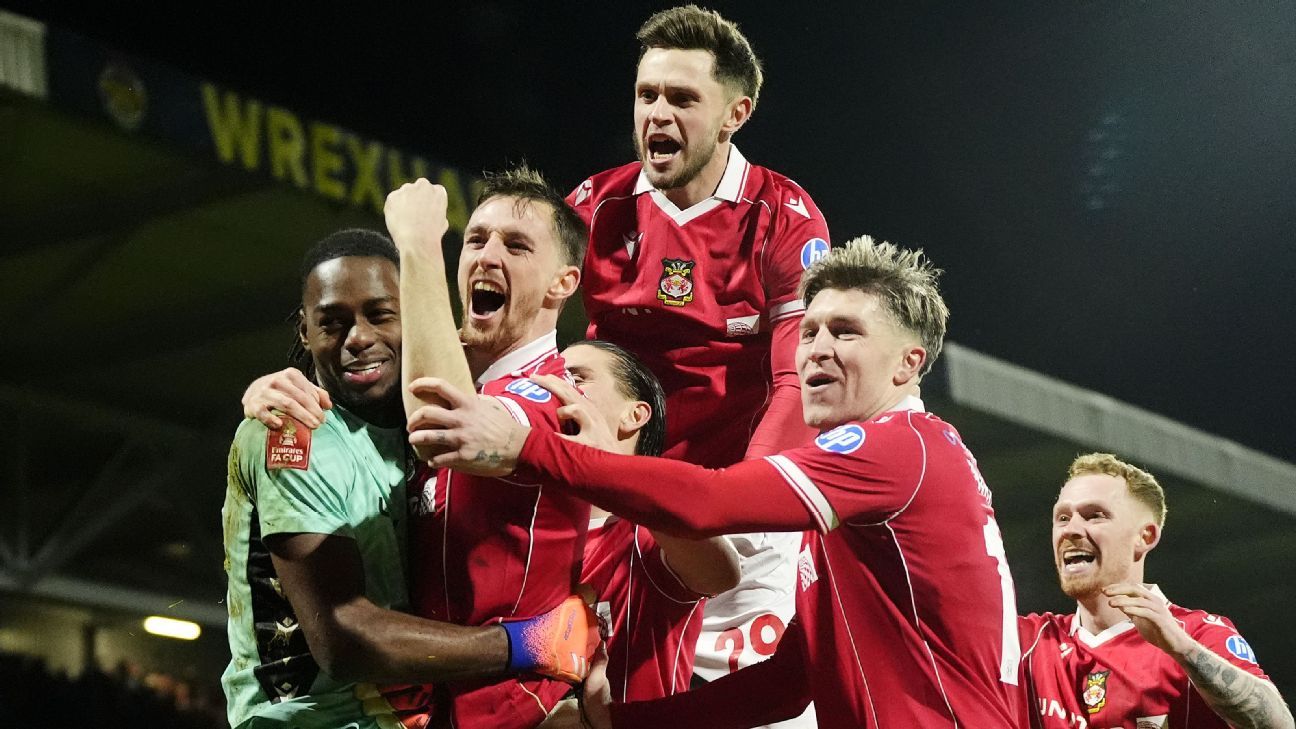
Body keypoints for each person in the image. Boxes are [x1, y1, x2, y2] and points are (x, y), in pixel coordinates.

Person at [408, 236, 1028, 728]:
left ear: (908, 364)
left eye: (846, 332)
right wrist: (624, 724)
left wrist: (527, 447)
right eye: (809, 331)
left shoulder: (899, 446)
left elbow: (710, 502)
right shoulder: (868, 494)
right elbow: (789, 683)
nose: (816, 349)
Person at [221, 229, 597, 729]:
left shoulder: (428, 424)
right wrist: (527, 643)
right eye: (332, 322)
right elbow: (343, 639)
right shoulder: (292, 430)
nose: (358, 338)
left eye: (380, 315)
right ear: (305, 331)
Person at [567, 7, 829, 715]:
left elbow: (796, 384)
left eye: (682, 98)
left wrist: (736, 504)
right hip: (618, 515)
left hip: (737, 520)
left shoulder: (784, 216)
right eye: (647, 94)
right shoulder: (595, 206)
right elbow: (515, 339)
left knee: (751, 713)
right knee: (594, 709)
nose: (657, 113)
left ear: (734, 114)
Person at [1019, 453, 1293, 729]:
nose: (1072, 530)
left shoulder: (1194, 633)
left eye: (1094, 516)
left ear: (1145, 537)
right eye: (1063, 518)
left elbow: (1279, 725)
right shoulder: (1029, 642)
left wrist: (1181, 648)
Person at [542, 341, 740, 703]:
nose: (555, 388)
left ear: (634, 415)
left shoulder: (648, 533)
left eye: (576, 378)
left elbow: (721, 574)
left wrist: (607, 467)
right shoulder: (523, 530)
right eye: (551, 377)